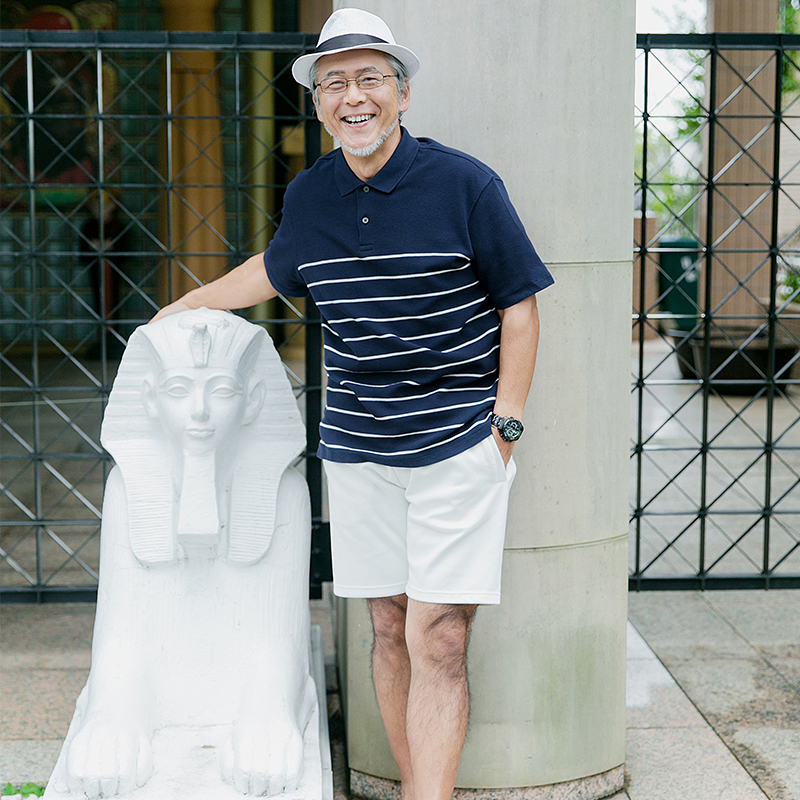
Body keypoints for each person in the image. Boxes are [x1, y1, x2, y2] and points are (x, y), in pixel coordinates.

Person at [151, 8, 554, 799]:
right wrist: (185, 306)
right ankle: (417, 789)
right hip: (359, 448)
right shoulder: (312, 195)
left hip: (457, 442)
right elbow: (271, 269)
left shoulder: (465, 184)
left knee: (438, 635)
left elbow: (521, 305)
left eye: (370, 78)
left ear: (402, 94)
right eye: (335, 83)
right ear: (319, 103)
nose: (353, 97)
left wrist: (504, 427)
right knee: (385, 625)